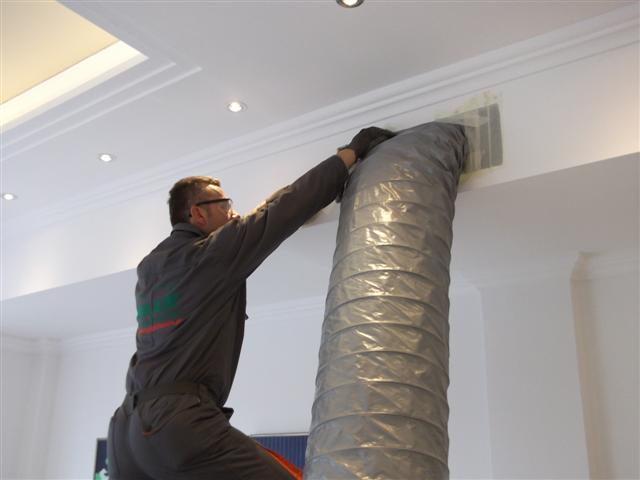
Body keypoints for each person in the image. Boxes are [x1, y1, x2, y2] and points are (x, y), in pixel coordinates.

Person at [107, 127, 395, 480]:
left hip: (126, 430)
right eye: (224, 205)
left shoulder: (151, 267)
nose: (233, 212)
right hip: (176, 421)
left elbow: (257, 218)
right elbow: (284, 209)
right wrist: (350, 154)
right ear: (198, 214)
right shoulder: (209, 256)